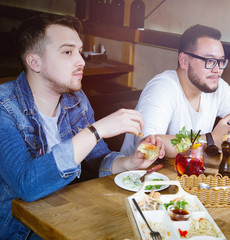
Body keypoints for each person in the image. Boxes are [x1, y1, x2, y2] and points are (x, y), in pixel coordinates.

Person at [0, 14, 164, 239]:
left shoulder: (75, 99)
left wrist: (130, 162)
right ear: (34, 62)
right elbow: (28, 185)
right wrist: (96, 130)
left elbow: (97, 160)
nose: (82, 61)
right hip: (24, 231)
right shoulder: (4, 109)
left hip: (72, 215)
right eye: (68, 52)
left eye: (79, 51)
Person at [120, 24, 230, 158]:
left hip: (182, 177)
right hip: (135, 182)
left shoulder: (217, 86)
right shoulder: (163, 88)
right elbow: (148, 144)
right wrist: (211, 140)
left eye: (221, 61)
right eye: (209, 61)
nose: (217, 69)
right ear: (184, 60)